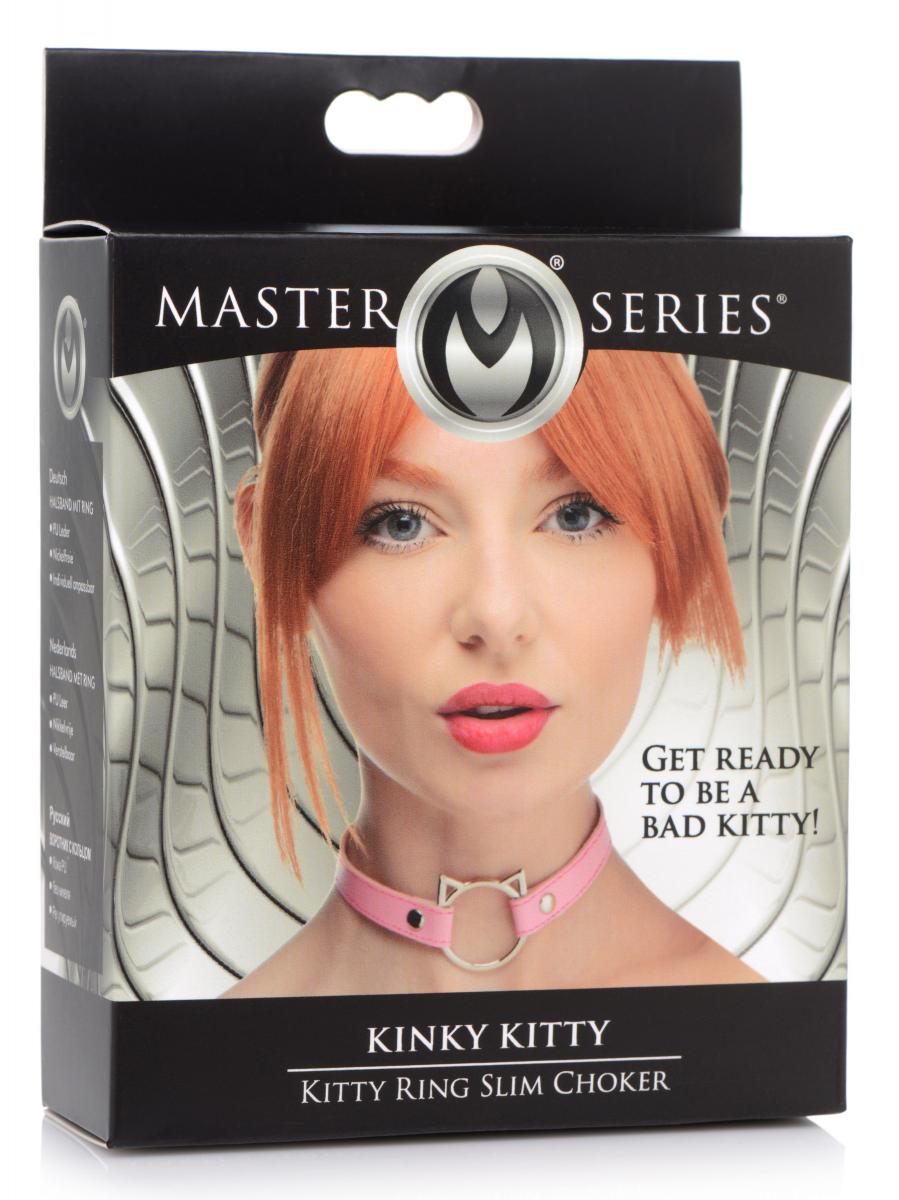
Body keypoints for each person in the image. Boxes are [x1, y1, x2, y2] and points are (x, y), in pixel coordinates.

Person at [223, 346, 764, 997]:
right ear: (264, 547)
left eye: (575, 515)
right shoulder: (205, 1058)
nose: (497, 616)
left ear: (686, 531)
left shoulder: (751, 1037)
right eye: (401, 524)